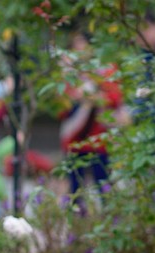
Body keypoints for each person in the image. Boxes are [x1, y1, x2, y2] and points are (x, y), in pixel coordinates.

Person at [58, 31, 124, 195]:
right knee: (76, 190)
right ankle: (79, 218)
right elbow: (61, 109)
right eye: (75, 44)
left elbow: (115, 98)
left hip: (98, 138)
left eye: (83, 43)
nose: (80, 48)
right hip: (74, 139)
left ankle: (110, 217)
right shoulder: (68, 75)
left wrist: (95, 97)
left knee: (104, 185)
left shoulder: (103, 71)